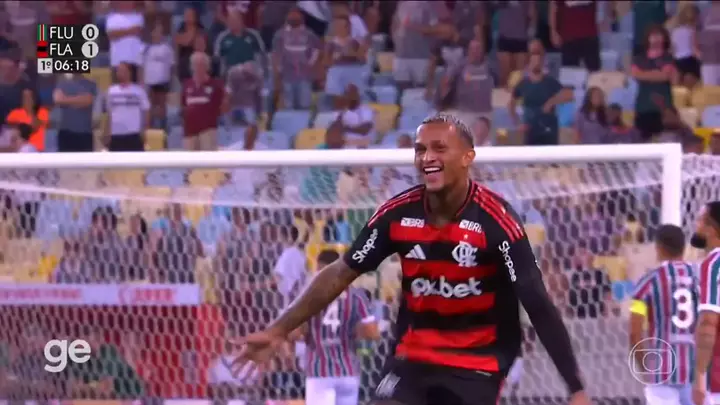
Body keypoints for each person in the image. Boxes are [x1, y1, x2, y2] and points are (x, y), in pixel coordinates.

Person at [232, 113, 590, 405]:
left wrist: (575, 387)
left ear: (468, 157)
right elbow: (341, 272)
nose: (427, 157)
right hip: (412, 358)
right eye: (420, 149)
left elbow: (537, 302)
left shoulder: (497, 221)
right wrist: (277, 329)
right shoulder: (398, 213)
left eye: (439, 148)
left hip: (477, 363)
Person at [294, 249, 380, 405]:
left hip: (319, 371)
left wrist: (306, 331)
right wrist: (350, 330)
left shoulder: (308, 296)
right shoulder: (356, 295)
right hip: (347, 371)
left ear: (320, 269)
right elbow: (373, 332)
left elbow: (295, 333)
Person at [629, 224, 696, 405]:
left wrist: (647, 368)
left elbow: (634, 332)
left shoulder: (648, 282)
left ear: (658, 247)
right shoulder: (700, 279)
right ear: (684, 247)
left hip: (662, 372)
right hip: (696, 372)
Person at [691, 201, 720, 405]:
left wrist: (700, 375)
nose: (696, 224)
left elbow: (709, 323)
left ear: (712, 227)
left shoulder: (713, 265)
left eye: (700, 220)